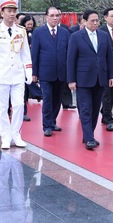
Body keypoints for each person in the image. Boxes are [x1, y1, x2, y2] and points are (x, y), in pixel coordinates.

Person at [0, 0, 33, 149]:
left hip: (17, 75)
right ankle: (5, 136)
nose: (12, 14)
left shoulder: (21, 31)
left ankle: (16, 134)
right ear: (2, 12)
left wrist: (29, 71)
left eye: (14, 10)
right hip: (1, 75)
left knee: (19, 105)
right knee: (2, 108)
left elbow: (26, 54)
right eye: (9, 10)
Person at [66, 10, 113, 150]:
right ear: (85, 21)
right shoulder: (76, 37)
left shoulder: (104, 36)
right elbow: (71, 59)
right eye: (92, 21)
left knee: (95, 109)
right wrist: (71, 80)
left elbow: (109, 58)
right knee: (86, 109)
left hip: (100, 78)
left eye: (97, 20)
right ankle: (89, 138)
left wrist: (111, 76)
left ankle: (89, 135)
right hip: (83, 79)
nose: (95, 23)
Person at [31, 7, 69, 137]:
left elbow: (68, 53)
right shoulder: (39, 32)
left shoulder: (65, 32)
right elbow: (34, 53)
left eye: (57, 15)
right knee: (47, 99)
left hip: (61, 72)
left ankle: (52, 121)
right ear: (46, 17)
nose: (55, 18)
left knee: (57, 99)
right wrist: (34, 73)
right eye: (52, 15)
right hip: (45, 72)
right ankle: (46, 125)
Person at [20, 14, 39, 121]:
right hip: (22, 64)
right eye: (28, 24)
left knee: (30, 82)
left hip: (32, 62)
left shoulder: (36, 33)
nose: (30, 26)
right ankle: (22, 112)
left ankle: (37, 94)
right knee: (22, 90)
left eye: (31, 24)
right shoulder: (21, 32)